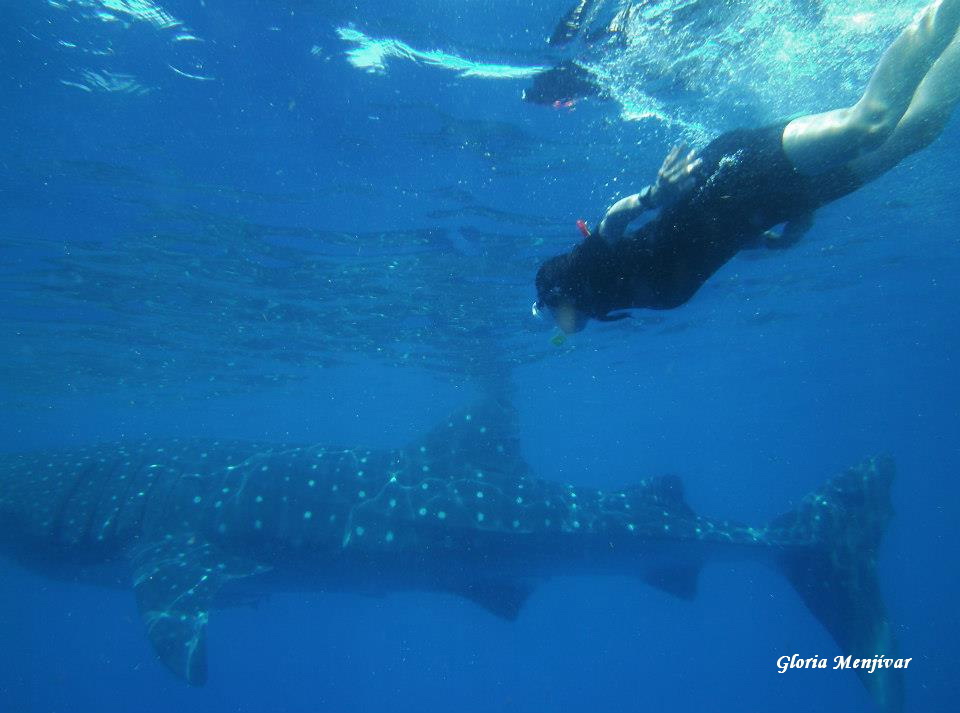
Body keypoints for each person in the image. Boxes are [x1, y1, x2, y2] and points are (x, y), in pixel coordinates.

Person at [533, 0, 960, 334]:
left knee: (872, 124)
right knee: (917, 132)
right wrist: (767, 240)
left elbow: (613, 220)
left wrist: (655, 195)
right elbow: (700, 244)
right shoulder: (618, 297)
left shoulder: (589, 272)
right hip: (772, 204)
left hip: (739, 173)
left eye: (551, 315)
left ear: (559, 298)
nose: (557, 327)